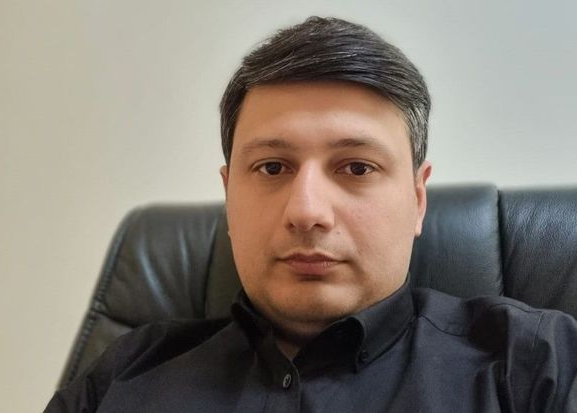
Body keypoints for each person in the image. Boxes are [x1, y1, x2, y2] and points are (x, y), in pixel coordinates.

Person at [45, 16, 577, 412]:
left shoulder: (536, 365)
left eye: (357, 168)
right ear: (229, 197)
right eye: (273, 167)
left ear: (418, 199)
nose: (306, 211)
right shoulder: (124, 375)